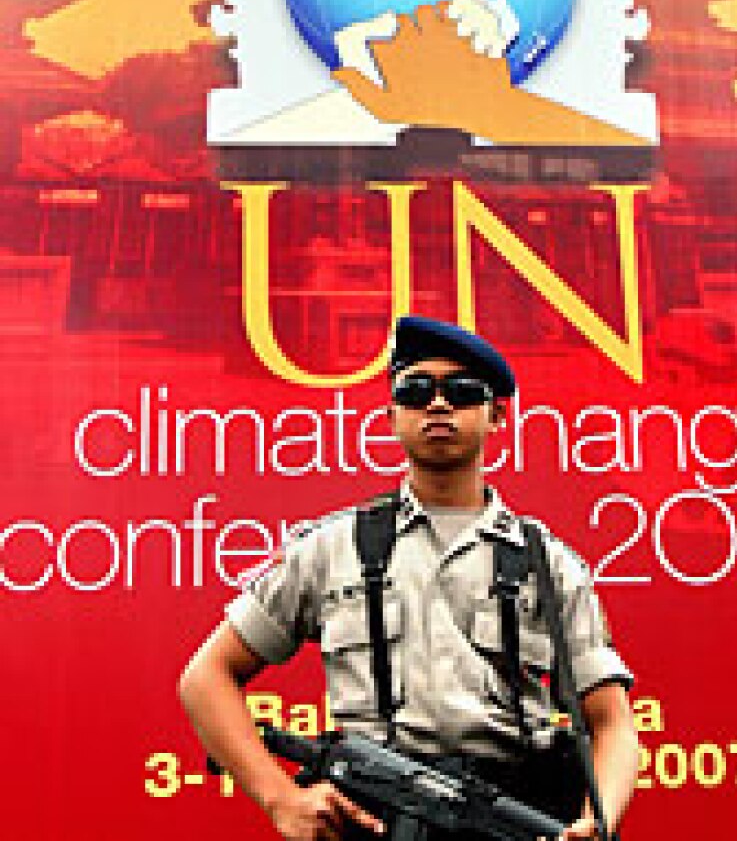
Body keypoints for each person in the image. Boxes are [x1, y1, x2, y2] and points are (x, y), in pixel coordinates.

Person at [178, 316, 640, 841]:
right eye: (417, 390)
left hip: (511, 815)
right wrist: (280, 798)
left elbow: (613, 724)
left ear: (496, 416)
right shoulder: (333, 547)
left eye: (462, 392)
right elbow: (205, 678)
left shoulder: (549, 563)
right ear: (392, 413)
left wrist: (595, 824)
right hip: (374, 818)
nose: (438, 405)